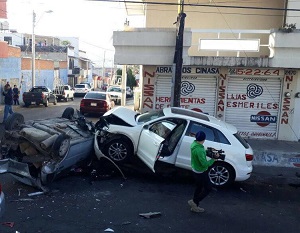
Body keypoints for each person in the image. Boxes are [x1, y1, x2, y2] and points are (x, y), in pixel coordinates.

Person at [188, 131, 219, 213]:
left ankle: (195, 207)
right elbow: (205, 164)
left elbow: (201, 152)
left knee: (198, 187)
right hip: (201, 172)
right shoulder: (199, 150)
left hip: (195, 170)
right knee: (208, 188)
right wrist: (214, 159)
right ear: (204, 139)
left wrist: (208, 151)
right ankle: (194, 202)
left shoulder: (194, 144)